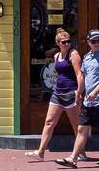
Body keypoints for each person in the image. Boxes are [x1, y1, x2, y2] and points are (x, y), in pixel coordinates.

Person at [56, 29, 99, 168]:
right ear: (88, 42)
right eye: (94, 41)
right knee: (81, 129)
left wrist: (96, 91)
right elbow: (83, 76)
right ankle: (73, 158)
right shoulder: (87, 57)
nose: (97, 43)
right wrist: (79, 93)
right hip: (87, 101)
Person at [29, 28, 83, 161]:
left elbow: (79, 74)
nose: (67, 44)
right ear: (58, 43)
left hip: (71, 93)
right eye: (64, 42)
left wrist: (79, 92)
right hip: (58, 92)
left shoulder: (73, 54)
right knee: (49, 122)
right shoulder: (56, 55)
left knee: (76, 125)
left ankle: (81, 153)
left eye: (69, 41)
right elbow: (44, 54)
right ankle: (41, 152)